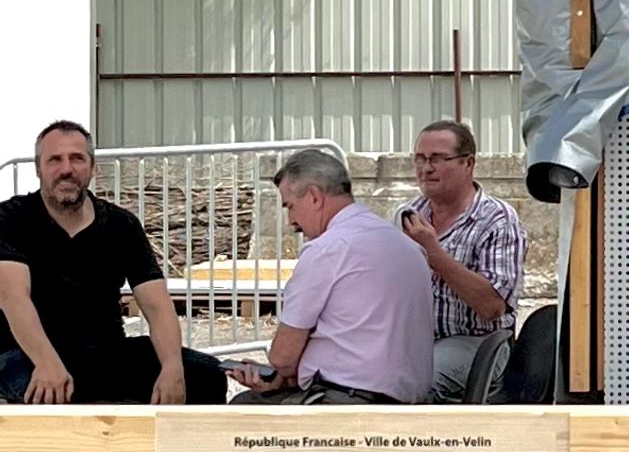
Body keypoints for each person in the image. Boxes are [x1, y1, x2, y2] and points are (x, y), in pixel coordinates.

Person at [0, 121, 228, 404]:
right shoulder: (11, 218)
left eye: (77, 158)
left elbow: (157, 305)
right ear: (38, 169)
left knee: (207, 376)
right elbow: (12, 298)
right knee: (44, 388)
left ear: (93, 168)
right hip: (26, 352)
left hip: (103, 350)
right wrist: (47, 363)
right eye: (55, 160)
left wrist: (172, 368)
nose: (66, 169)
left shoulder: (122, 225)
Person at [229, 145, 434, 407]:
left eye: (290, 206)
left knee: (241, 409)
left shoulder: (327, 249)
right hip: (408, 402)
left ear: (314, 197)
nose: (291, 221)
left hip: (344, 402)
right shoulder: (409, 246)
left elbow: (283, 357)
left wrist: (281, 374)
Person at [398, 120, 525, 400]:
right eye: (419, 158)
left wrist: (433, 253)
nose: (426, 168)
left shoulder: (498, 220)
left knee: (418, 381)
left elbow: (492, 306)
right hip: (414, 338)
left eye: (437, 159)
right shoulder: (407, 214)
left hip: (476, 342)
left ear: (468, 163)